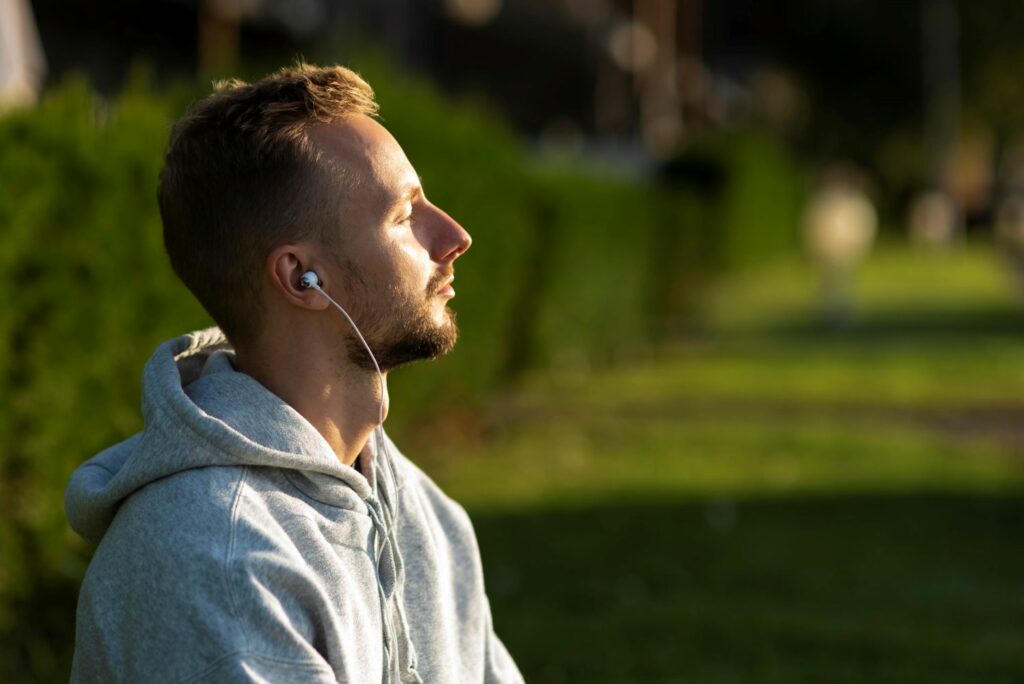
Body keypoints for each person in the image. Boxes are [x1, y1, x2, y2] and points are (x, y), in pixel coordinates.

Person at [65, 62, 525, 683]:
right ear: (301, 279)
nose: (454, 235)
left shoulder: (427, 516)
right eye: (403, 214)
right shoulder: (220, 560)